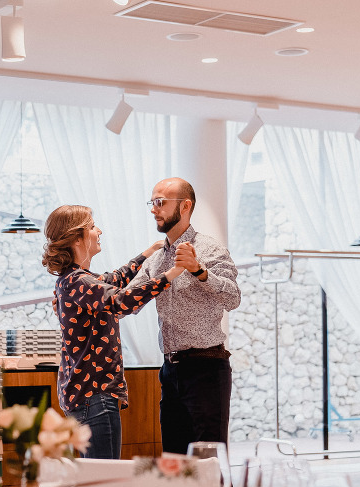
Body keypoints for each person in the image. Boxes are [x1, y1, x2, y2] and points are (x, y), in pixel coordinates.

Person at [41, 205, 184, 459]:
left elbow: (113, 279)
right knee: (104, 481)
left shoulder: (73, 279)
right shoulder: (78, 281)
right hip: (94, 396)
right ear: (77, 237)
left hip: (86, 396)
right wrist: (170, 274)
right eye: (93, 226)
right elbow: (121, 301)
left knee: (97, 477)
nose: (99, 231)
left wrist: (147, 254)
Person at [126, 177, 241, 455]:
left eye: (160, 202)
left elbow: (233, 298)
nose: (154, 209)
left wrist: (199, 270)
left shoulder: (211, 250)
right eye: (152, 202)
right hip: (170, 371)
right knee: (174, 460)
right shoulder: (155, 260)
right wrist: (82, 292)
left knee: (209, 462)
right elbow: (127, 302)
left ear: (185, 206)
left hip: (206, 369)